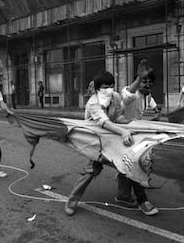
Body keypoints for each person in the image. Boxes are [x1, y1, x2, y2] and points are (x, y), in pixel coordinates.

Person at [65, 71, 134, 216]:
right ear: (97, 89)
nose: (109, 89)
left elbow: (118, 116)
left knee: (124, 164)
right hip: (95, 142)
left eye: (111, 86)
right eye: (105, 87)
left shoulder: (115, 97)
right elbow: (104, 122)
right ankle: (71, 201)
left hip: (112, 138)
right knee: (91, 171)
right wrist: (122, 132)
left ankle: (124, 195)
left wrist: (130, 124)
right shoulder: (93, 103)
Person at [119, 59, 160, 216]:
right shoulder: (133, 92)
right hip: (121, 135)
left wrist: (156, 115)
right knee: (136, 164)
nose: (146, 85)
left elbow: (155, 111)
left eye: (149, 82)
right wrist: (138, 79)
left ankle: (123, 195)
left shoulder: (148, 97)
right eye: (144, 81)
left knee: (129, 166)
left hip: (136, 136)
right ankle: (142, 201)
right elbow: (126, 96)